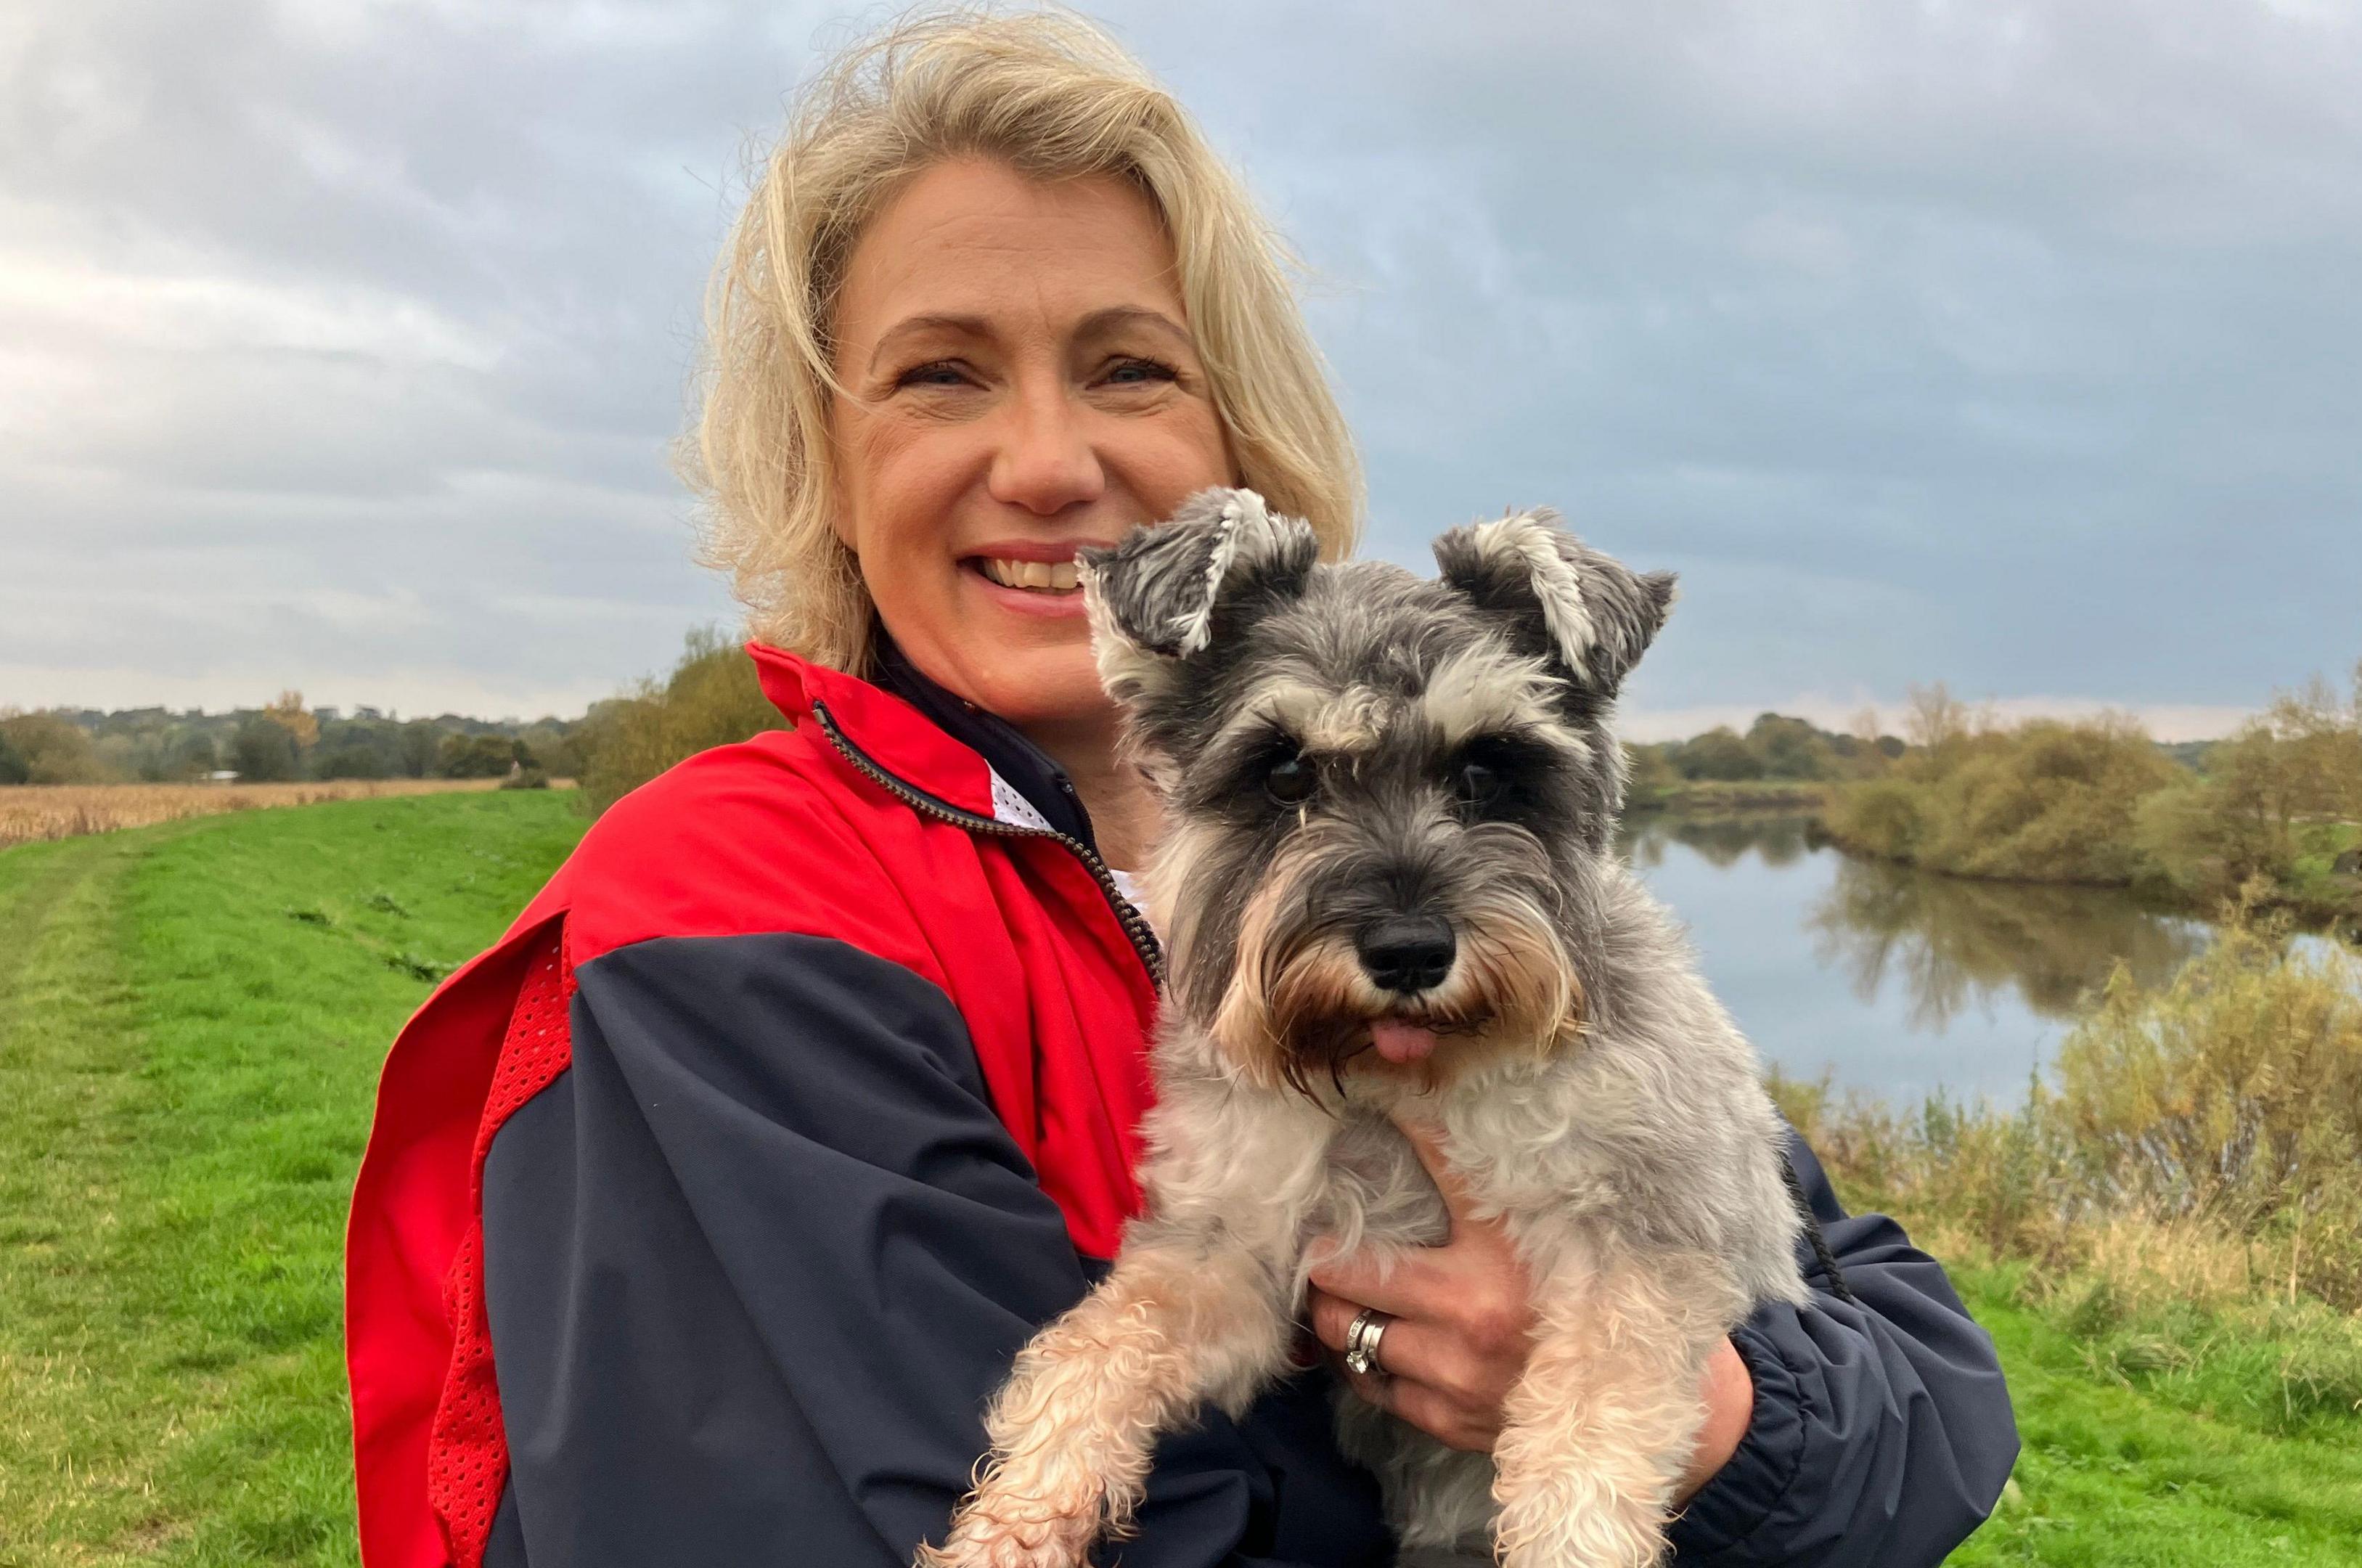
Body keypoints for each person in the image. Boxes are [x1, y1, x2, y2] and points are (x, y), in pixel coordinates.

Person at [343, 13, 2018, 1567]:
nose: (1051, 464)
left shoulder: (1568, 953)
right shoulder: (726, 905)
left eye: (1131, 366)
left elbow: (1935, 1404)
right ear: (822, 456)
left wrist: (1715, 1417)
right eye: (940, 373)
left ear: (1239, 429)